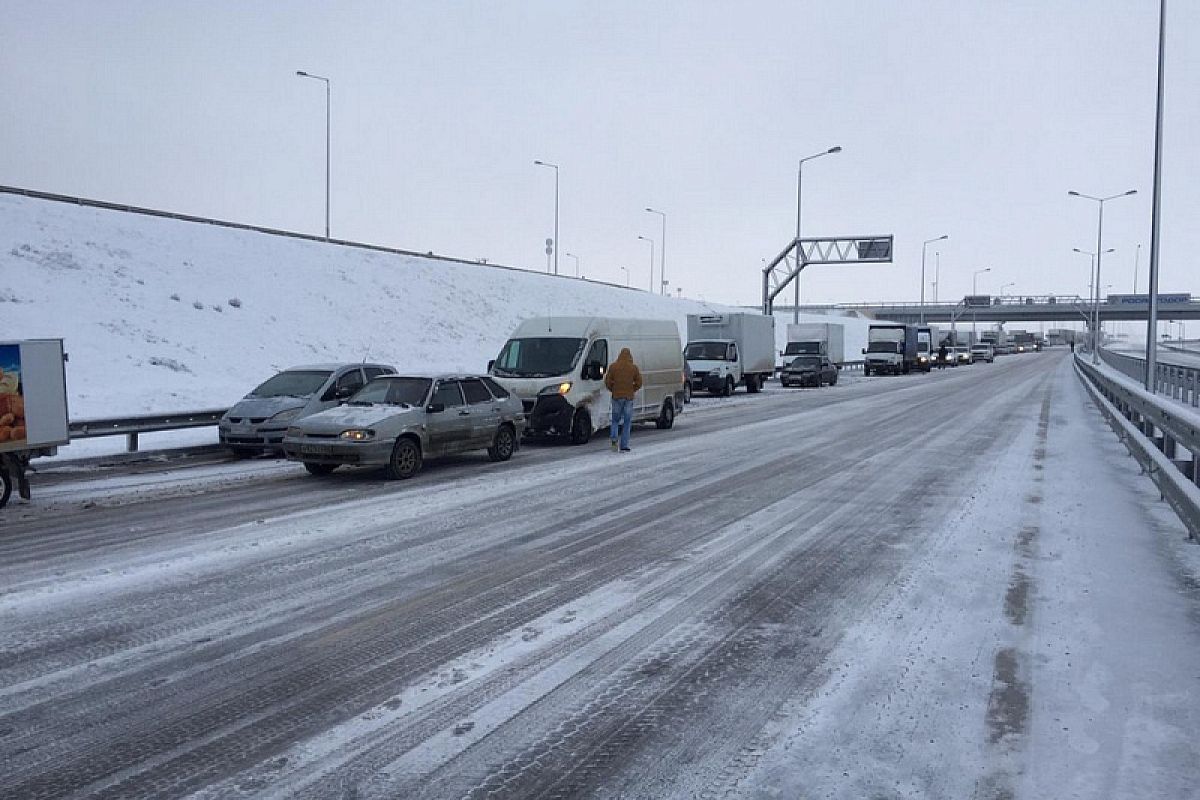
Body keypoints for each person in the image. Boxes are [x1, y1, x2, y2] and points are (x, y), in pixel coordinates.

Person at [604, 347, 642, 452]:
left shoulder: (613, 367)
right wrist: (632, 389)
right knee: (627, 422)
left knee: (615, 420)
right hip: (628, 398)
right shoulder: (633, 368)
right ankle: (624, 445)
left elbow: (607, 381)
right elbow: (639, 382)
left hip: (616, 397)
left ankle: (614, 441)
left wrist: (613, 389)